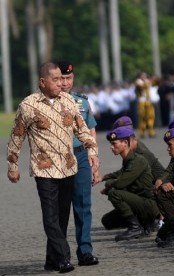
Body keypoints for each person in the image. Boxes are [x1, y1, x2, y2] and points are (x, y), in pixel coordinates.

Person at [6, 62, 99, 273]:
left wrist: (92, 152)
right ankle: (63, 256)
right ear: (43, 82)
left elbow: (82, 130)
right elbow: (16, 138)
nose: (61, 84)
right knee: (50, 216)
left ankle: (51, 259)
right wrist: (13, 166)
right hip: (44, 169)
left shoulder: (69, 101)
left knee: (62, 216)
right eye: (55, 80)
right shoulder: (28, 106)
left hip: (68, 167)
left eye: (62, 79)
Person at [57, 61, 99, 266]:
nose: (65, 83)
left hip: (81, 155)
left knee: (83, 204)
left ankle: (85, 250)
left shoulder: (81, 102)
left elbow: (91, 130)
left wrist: (94, 156)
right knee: (59, 207)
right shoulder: (44, 103)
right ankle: (60, 253)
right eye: (61, 78)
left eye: (69, 78)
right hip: (58, 157)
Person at [100, 116, 164, 234]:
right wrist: (104, 178)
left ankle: (148, 221)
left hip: (156, 195)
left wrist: (109, 185)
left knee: (116, 192)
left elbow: (126, 180)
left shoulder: (140, 154)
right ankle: (141, 219)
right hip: (146, 192)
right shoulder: (130, 151)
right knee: (108, 221)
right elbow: (126, 172)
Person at [135, 71, 156, 138]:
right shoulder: (138, 82)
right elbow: (141, 86)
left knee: (150, 117)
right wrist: (147, 82)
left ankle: (151, 132)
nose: (144, 77)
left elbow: (153, 84)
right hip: (142, 101)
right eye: (143, 76)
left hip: (148, 101)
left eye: (145, 75)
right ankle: (142, 132)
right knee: (142, 117)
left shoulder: (147, 81)